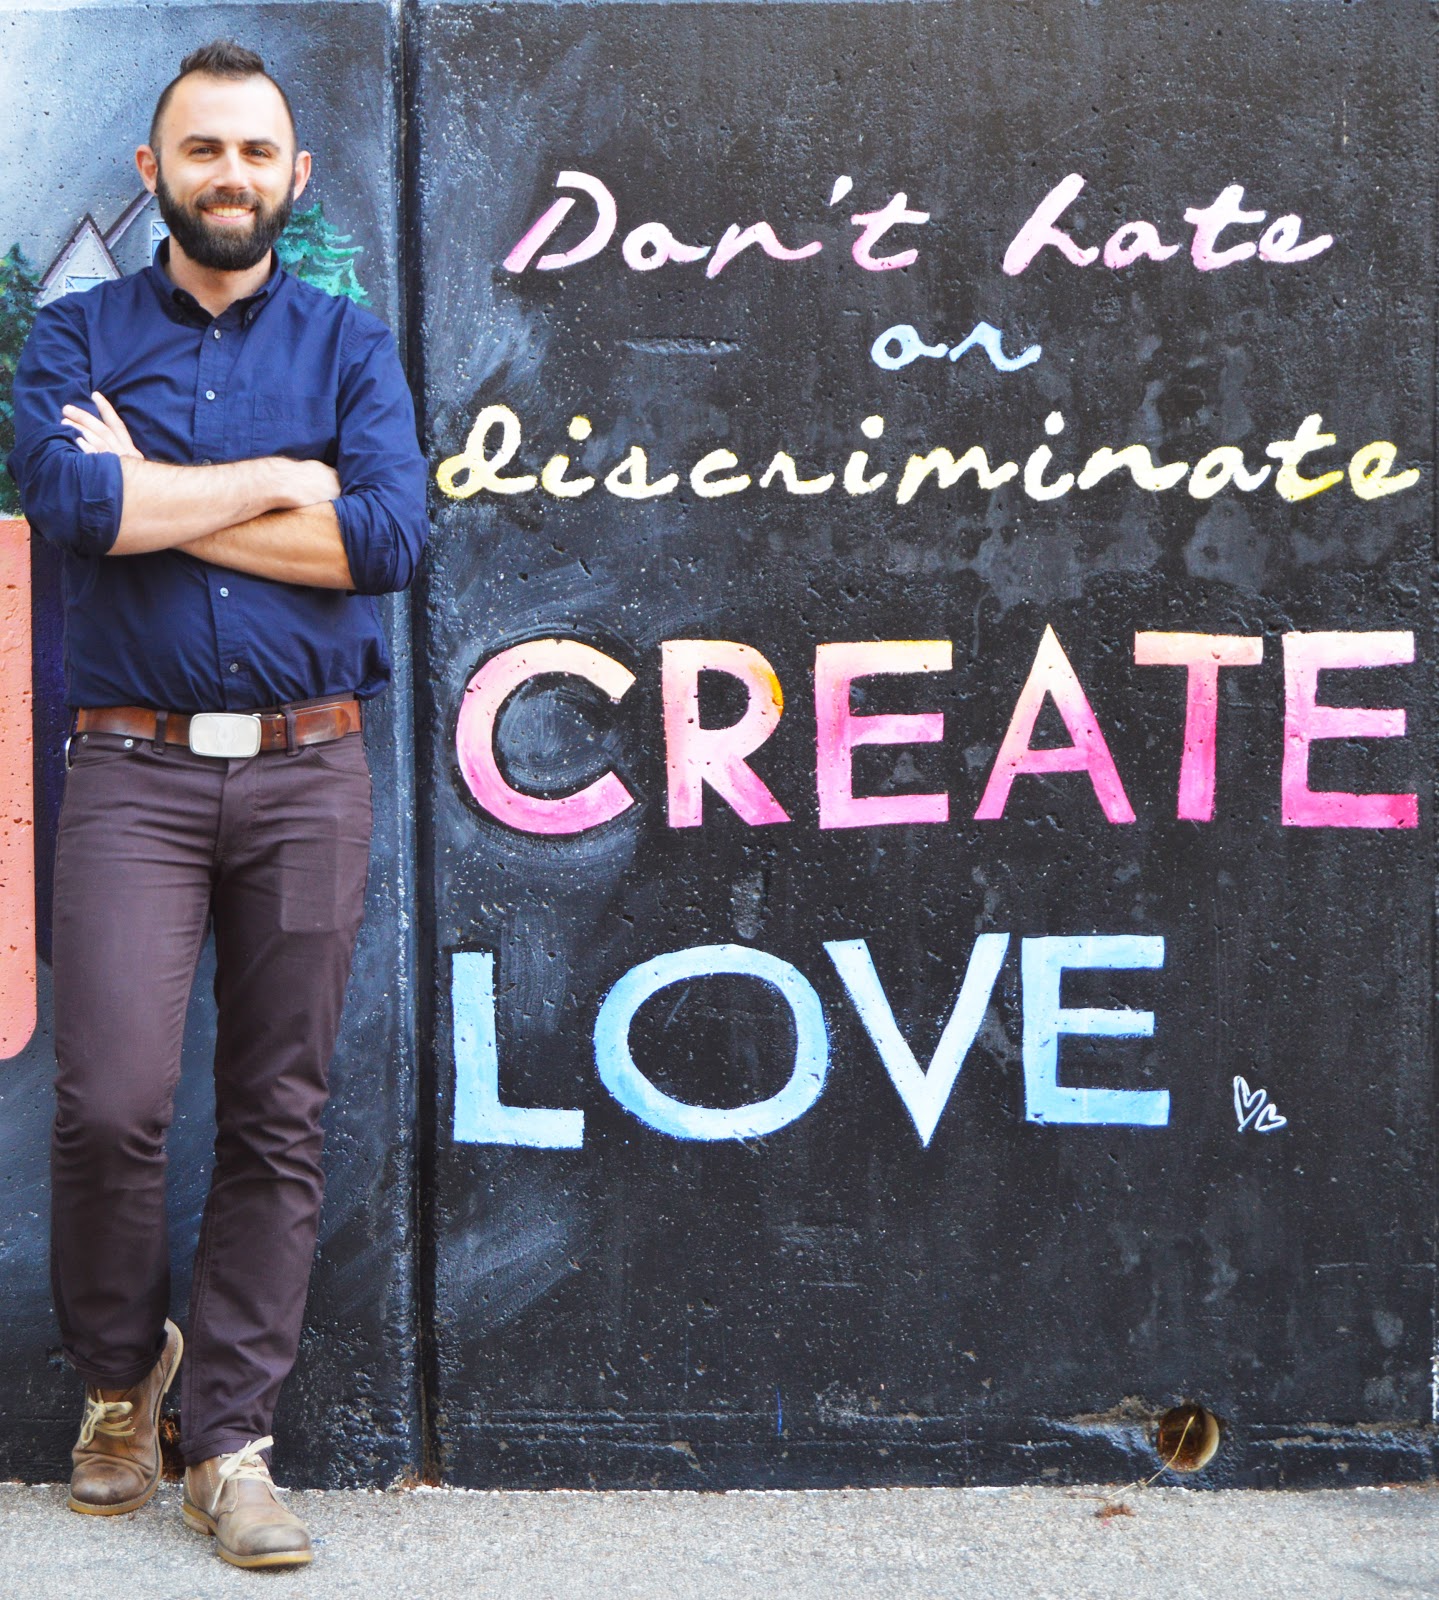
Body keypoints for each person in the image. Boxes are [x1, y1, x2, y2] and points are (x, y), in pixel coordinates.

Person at [7, 39, 427, 1570]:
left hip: (311, 773)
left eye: (256, 151)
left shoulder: (349, 347)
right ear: (154, 170)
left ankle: (232, 1440)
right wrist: (283, 484)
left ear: (294, 174)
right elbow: (76, 504)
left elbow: (388, 541)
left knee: (277, 1108)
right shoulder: (77, 336)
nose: (230, 174)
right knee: (111, 1102)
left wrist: (171, 500)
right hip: (133, 773)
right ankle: (125, 1383)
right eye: (202, 149)